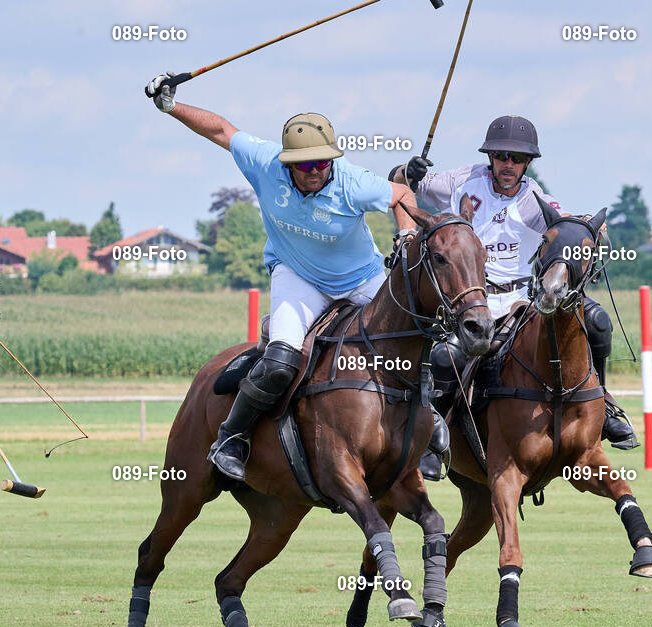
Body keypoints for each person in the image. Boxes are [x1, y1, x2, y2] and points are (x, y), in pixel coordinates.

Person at [145, 72, 441, 482]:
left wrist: (407, 234)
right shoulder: (265, 164)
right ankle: (232, 437)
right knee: (281, 358)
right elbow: (222, 130)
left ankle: (430, 430)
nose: (316, 170)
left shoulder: (352, 182)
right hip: (297, 276)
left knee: (422, 338)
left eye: (323, 162)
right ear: (288, 162)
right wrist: (171, 106)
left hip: (362, 278)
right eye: (306, 164)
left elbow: (402, 195)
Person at [392, 115, 638, 480]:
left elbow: (565, 225)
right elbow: (400, 185)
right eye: (502, 156)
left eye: (518, 159)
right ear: (490, 156)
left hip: (522, 303)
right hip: (470, 299)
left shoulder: (534, 200)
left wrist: (591, 225)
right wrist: (404, 168)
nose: (509, 165)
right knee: (446, 357)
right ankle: (433, 438)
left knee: (598, 323)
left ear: (528, 163)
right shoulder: (461, 180)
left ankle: (605, 407)